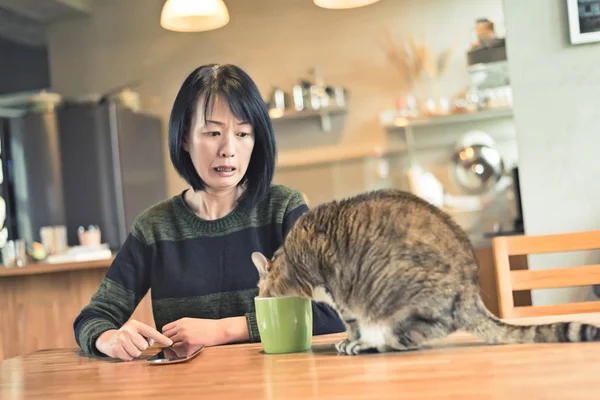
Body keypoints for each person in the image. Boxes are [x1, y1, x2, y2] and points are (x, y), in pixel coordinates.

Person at [73, 64, 345, 361]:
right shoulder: (155, 227)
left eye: (243, 133)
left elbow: (333, 311)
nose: (228, 149)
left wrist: (223, 330)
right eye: (213, 132)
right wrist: (110, 339)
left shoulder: (283, 210)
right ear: (184, 139)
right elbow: (94, 317)